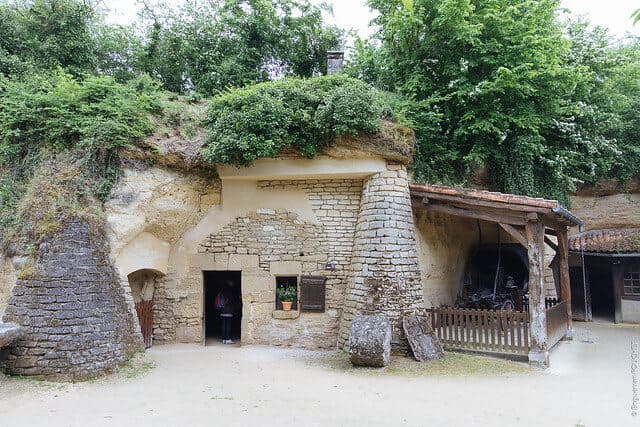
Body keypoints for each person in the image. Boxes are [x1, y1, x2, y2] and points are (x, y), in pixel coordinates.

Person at [218, 280, 236, 344]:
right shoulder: (229, 291)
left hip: (222, 310)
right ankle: (227, 339)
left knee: (223, 325)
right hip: (228, 311)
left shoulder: (222, 291)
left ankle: (223, 339)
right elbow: (231, 300)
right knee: (228, 325)